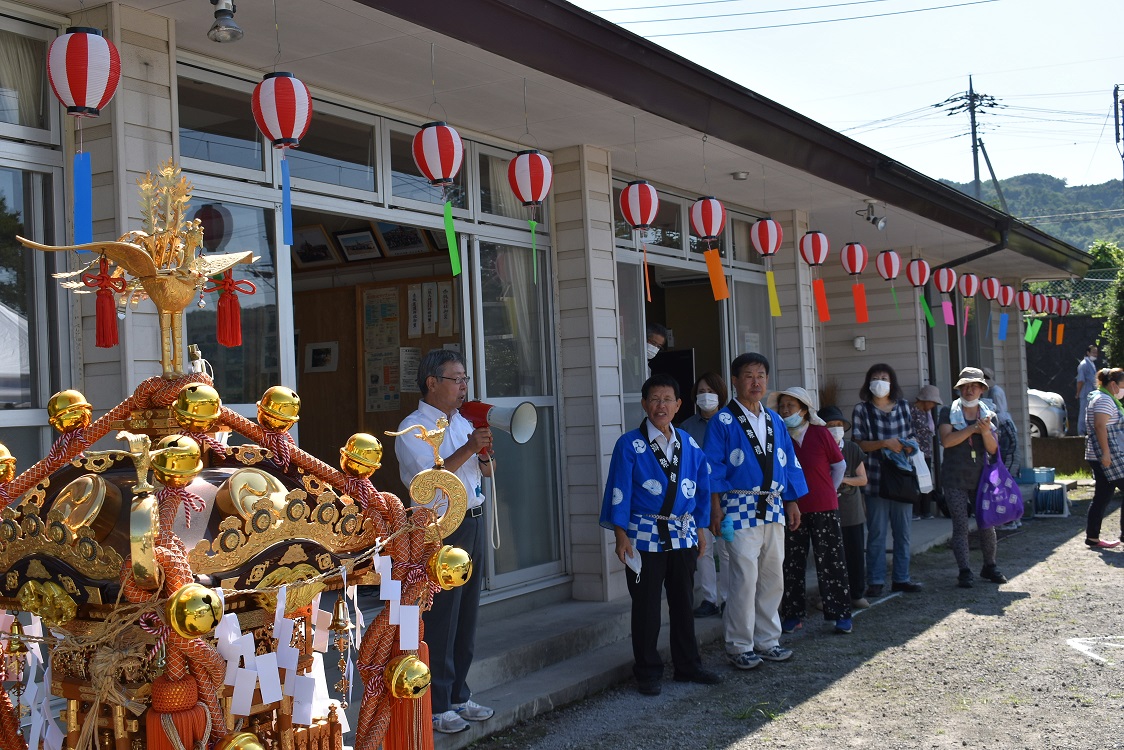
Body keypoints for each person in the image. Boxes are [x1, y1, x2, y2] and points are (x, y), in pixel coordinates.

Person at [600, 373, 719, 695]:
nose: (661, 405)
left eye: (668, 399)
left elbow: (702, 487)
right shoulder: (629, 444)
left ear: (679, 405)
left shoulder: (689, 443)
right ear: (644, 404)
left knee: (683, 602)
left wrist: (700, 528)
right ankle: (648, 672)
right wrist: (620, 536)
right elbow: (619, 490)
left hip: (682, 533)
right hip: (643, 534)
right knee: (647, 606)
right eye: (654, 399)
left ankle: (687, 665)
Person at [395, 349, 494, 734]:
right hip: (439, 528)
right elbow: (428, 481)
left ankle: (459, 694)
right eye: (457, 379)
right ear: (432, 383)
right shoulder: (413, 427)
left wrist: (483, 454)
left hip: (473, 519)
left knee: (467, 613)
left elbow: (483, 472)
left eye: (465, 379)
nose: (464, 387)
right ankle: (436, 704)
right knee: (442, 617)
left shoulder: (461, 422)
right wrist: (470, 447)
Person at [704, 353, 808, 670]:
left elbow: (789, 462)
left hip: (774, 505)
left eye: (761, 375)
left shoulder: (775, 420)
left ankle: (767, 640)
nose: (755, 382)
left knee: (773, 576)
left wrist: (792, 501)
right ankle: (739, 644)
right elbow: (712, 467)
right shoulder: (722, 421)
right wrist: (715, 508)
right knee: (744, 577)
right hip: (737, 506)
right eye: (748, 375)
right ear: (735, 381)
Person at [769, 387, 852, 635]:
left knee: (831, 561)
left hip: (824, 506)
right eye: (782, 406)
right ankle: (793, 614)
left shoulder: (820, 433)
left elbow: (839, 465)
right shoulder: (778, 435)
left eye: (790, 406)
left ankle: (840, 614)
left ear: (804, 410)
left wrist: (829, 490)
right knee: (791, 563)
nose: (785, 410)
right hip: (792, 508)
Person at [851, 363, 922, 597]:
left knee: (903, 532)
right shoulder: (862, 410)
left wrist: (909, 447)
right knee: (877, 532)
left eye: (884, 377)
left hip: (902, 477)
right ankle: (876, 580)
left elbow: (912, 437)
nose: (880, 381)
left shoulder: (903, 407)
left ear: (892, 382)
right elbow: (859, 443)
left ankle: (902, 578)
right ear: (868, 382)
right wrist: (884, 443)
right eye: (875, 377)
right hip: (875, 479)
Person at [937, 367, 1007, 589]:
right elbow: (947, 441)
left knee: (987, 523)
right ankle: (964, 571)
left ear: (982, 390)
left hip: (981, 477)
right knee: (960, 525)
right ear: (959, 389)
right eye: (965, 386)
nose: (969, 389)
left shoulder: (989, 413)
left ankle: (990, 565)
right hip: (954, 476)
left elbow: (994, 449)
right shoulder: (947, 411)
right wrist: (973, 429)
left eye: (974, 386)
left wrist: (985, 431)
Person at [680, 372, 729, 618]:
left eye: (710, 390)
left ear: (720, 393)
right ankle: (710, 598)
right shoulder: (686, 428)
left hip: (728, 497)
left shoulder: (731, 423)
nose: (705, 396)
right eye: (700, 391)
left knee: (728, 550)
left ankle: (729, 600)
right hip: (697, 499)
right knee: (704, 550)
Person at [820, 405, 869, 609]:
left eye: (839, 425)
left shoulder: (851, 449)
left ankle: (856, 594)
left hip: (852, 510)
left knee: (855, 553)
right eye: (831, 425)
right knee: (829, 556)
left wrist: (845, 480)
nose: (836, 428)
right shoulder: (819, 450)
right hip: (827, 510)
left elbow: (863, 479)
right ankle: (831, 597)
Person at [1082, 367, 1124, 549]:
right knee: (1102, 496)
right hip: (1108, 455)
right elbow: (1100, 426)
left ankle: (1092, 537)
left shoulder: (1102, 397)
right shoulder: (1104, 400)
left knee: (1102, 495)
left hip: (1101, 454)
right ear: (1113, 384)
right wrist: (1106, 454)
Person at [910, 384, 942, 520]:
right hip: (914, 452)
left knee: (926, 481)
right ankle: (916, 511)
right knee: (915, 481)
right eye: (932, 402)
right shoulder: (911, 410)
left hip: (927, 452)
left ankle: (926, 510)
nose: (933, 406)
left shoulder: (927, 413)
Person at [1076, 345, 1099, 435]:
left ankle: (1088, 432)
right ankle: (1081, 433)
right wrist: (1078, 393)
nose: (1095, 354)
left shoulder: (1091, 364)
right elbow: (1080, 380)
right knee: (1083, 413)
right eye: (1093, 352)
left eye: (1096, 352)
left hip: (1091, 393)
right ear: (1088, 352)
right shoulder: (1084, 365)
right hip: (1085, 392)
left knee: (1090, 413)